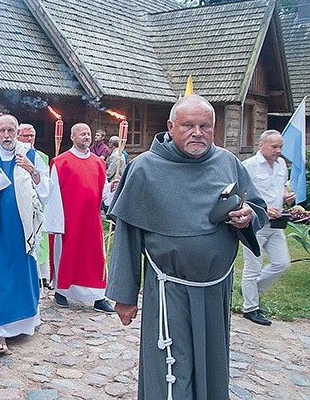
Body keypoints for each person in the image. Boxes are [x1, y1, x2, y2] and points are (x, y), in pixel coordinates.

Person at [105, 95, 268, 400]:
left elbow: (255, 207)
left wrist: (246, 217)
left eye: (205, 126)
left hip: (215, 290)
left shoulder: (227, 162)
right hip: (170, 291)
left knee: (212, 366)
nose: (198, 132)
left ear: (214, 128)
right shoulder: (144, 169)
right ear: (171, 126)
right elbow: (127, 237)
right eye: (188, 125)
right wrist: (124, 296)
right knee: (172, 370)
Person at [0, 114, 50, 355]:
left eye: (11, 130)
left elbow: (46, 190)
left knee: (23, 274)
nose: (7, 135)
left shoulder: (29, 155)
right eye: (2, 131)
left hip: (23, 227)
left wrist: (32, 171)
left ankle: (24, 323)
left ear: (17, 132)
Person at [45, 123, 116, 312]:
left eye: (88, 134)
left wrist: (112, 188)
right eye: (82, 134)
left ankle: (99, 296)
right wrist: (56, 221)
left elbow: (103, 191)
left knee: (94, 257)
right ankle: (62, 290)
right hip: (69, 218)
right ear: (72, 137)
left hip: (91, 220)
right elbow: (53, 194)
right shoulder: (60, 162)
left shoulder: (99, 163)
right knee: (68, 255)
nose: (86, 137)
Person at [241, 130, 295, 326]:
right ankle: (251, 308)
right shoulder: (249, 166)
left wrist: (286, 195)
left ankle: (251, 290)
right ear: (261, 145)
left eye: (280, 147)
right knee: (252, 267)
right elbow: (241, 196)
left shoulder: (281, 165)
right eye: (274, 147)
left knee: (282, 263)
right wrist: (263, 207)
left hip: (277, 224)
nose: (278, 151)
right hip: (255, 224)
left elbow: (281, 187)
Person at [17, 123, 51, 288]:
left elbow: (46, 185)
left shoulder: (41, 157)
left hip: (35, 205)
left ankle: (39, 276)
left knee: (38, 241)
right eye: (25, 135)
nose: (29, 139)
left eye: (32, 135)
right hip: (17, 205)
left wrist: (33, 171)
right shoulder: (11, 154)